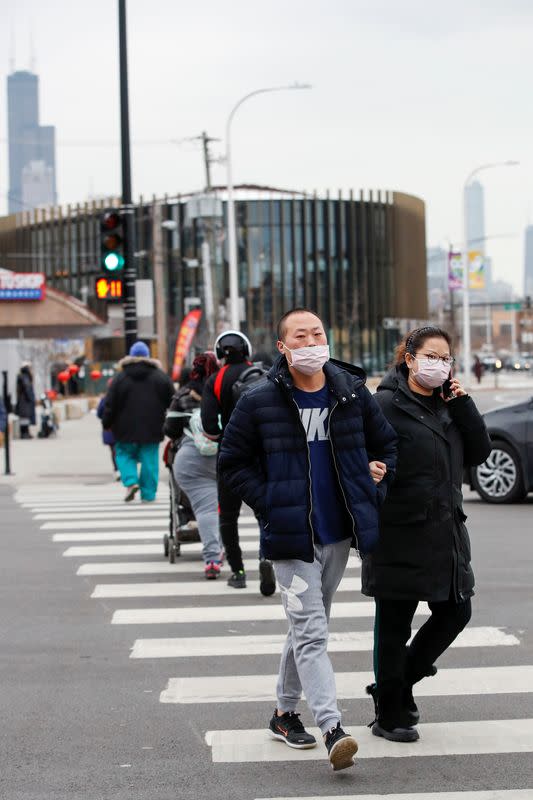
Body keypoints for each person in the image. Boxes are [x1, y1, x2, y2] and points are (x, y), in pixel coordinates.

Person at [218, 308, 397, 771]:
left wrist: (377, 479)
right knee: (313, 634)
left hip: (337, 535)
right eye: (302, 335)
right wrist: (271, 502)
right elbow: (232, 463)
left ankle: (283, 713)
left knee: (306, 628)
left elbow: (387, 445)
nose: (312, 340)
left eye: (318, 332)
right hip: (291, 539)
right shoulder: (259, 400)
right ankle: (333, 727)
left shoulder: (351, 392)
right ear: (284, 347)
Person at [362, 326, 492, 743]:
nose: (438, 363)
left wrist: (465, 403)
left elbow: (479, 452)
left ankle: (396, 686)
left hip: (446, 531)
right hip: (398, 529)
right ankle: (389, 715)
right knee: (395, 623)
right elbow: (359, 455)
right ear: (410, 357)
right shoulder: (384, 404)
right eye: (430, 356)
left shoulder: (449, 405)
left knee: (456, 612)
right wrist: (370, 470)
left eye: (445, 358)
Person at [201, 330, 276, 595]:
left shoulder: (215, 380)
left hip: (231, 456)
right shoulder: (263, 374)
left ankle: (238, 572)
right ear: (246, 349)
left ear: (220, 353)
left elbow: (209, 428)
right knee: (263, 511)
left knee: (228, 515)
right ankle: (266, 557)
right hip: (262, 454)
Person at [164, 352, 223, 580]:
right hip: (225, 455)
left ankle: (212, 559)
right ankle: (222, 546)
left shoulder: (183, 394)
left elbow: (170, 430)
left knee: (205, 509)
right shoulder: (225, 388)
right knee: (222, 508)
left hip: (192, 459)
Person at [102, 341, 174, 502]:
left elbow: (110, 403)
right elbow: (173, 400)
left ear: (131, 356)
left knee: (123, 454)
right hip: (153, 426)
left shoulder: (120, 378)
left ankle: (131, 481)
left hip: (123, 427)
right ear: (148, 356)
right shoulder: (160, 377)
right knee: (149, 460)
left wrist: (107, 423)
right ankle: (148, 494)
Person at [97, 380, 119, 479]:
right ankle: (122, 470)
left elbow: (99, 413)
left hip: (109, 428)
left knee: (114, 451)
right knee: (123, 450)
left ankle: (117, 469)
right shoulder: (126, 397)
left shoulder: (105, 398)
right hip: (123, 429)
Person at [16, 362, 36, 439]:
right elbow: (27, 388)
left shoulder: (22, 376)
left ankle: (26, 433)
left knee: (25, 417)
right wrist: (31, 398)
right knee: (25, 417)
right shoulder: (24, 377)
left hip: (23, 400)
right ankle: (24, 433)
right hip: (24, 401)